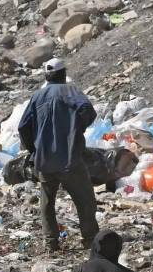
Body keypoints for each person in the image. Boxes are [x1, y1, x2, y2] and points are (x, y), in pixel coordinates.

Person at [18, 58, 99, 251]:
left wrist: (34, 150)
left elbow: (23, 127)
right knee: (85, 199)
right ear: (63, 74)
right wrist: (76, 129)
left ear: (47, 76)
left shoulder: (37, 96)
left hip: (45, 160)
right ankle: (90, 239)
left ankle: (51, 242)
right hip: (70, 158)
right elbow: (87, 110)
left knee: (47, 203)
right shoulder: (69, 91)